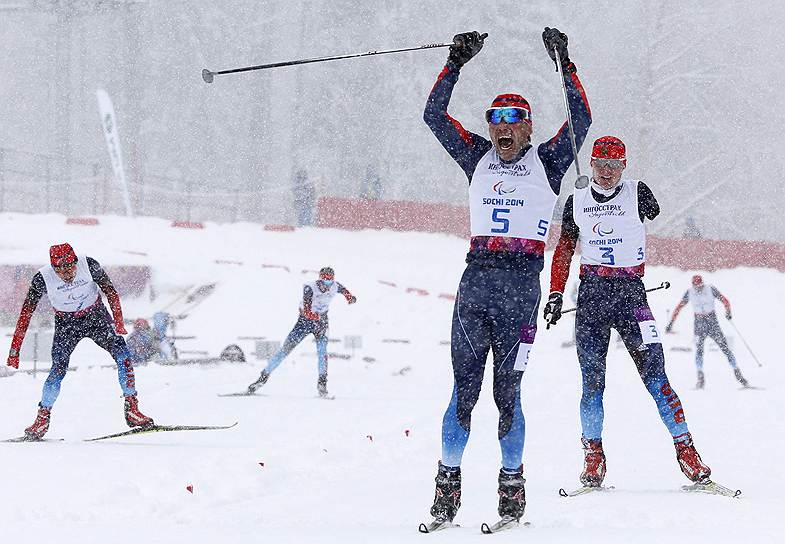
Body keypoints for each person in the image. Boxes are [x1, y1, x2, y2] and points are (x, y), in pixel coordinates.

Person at [422, 28, 591, 525]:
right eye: (494, 119)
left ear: (527, 126)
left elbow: (580, 118)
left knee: (507, 394)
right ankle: (446, 489)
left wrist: (566, 62)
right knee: (463, 390)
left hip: (521, 287)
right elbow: (433, 116)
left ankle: (512, 490)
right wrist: (454, 63)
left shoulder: (549, 160)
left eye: (512, 119)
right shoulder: (477, 156)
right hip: (476, 283)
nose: (502, 128)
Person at [543, 136, 713, 490]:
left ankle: (687, 451)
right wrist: (556, 294)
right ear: (590, 165)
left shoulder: (637, 192)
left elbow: (654, 211)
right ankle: (593, 457)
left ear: (624, 166)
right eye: (600, 166)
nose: (606, 173)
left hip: (631, 295)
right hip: (591, 297)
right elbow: (563, 249)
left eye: (614, 166)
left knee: (656, 378)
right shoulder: (576, 200)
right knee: (592, 384)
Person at [6, 243, 154, 439]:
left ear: (76, 262)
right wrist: (14, 350)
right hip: (67, 324)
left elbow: (111, 291)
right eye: (61, 269)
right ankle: (42, 420)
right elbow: (26, 314)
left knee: (123, 357)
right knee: (57, 370)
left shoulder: (89, 264)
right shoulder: (42, 278)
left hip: (96, 317)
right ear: (53, 268)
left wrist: (118, 323)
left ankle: (132, 410)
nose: (68, 273)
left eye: (71, 267)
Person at [246, 267, 356, 397]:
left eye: (329, 281)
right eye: (324, 281)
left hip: (321, 324)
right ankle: (262, 379)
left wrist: (350, 298)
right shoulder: (309, 288)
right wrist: (317, 317)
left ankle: (322, 385)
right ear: (319, 279)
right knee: (284, 351)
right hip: (304, 322)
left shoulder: (335, 286)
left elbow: (344, 291)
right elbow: (308, 311)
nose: (327, 285)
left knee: (322, 353)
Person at [665, 275, 747, 388]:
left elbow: (725, 301)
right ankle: (700, 378)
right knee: (699, 351)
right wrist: (671, 323)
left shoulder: (710, 289)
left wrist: (728, 312)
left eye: (700, 286)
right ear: (693, 285)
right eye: (696, 286)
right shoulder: (689, 292)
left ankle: (738, 374)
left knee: (725, 348)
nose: (699, 288)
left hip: (712, 321)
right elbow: (679, 307)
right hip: (699, 323)